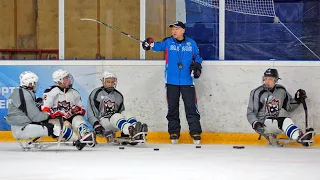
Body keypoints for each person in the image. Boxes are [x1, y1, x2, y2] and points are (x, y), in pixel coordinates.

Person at [141, 21, 203, 144]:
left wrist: (198, 66)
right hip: (171, 81)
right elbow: (157, 46)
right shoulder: (168, 42)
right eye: (173, 29)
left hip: (187, 81)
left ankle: (195, 132)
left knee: (191, 107)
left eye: (177, 29)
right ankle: (174, 132)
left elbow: (198, 56)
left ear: (183, 30)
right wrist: (149, 44)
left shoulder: (191, 43)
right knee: (172, 108)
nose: (174, 31)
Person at [5, 71, 78, 147]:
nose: (36, 85)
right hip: (23, 128)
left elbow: (25, 110)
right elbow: (36, 117)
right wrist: (49, 113)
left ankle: (73, 139)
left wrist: (37, 105)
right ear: (30, 83)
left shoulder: (20, 92)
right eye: (35, 83)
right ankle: (76, 140)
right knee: (53, 127)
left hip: (19, 126)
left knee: (51, 123)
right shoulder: (26, 95)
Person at [247, 68, 315, 147]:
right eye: (265, 79)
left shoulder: (281, 90)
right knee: (285, 121)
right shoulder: (257, 92)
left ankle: (300, 137)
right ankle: (300, 138)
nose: (267, 81)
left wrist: (297, 99)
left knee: (283, 121)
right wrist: (256, 124)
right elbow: (250, 112)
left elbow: (289, 107)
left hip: (274, 123)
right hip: (262, 124)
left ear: (276, 80)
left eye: (270, 79)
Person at [87, 71, 148, 141]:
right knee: (115, 116)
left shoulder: (118, 95)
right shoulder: (96, 94)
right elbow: (90, 113)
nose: (110, 84)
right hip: (102, 124)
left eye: (112, 82)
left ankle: (136, 129)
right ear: (103, 82)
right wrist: (96, 125)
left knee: (126, 113)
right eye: (108, 82)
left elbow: (121, 113)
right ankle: (130, 131)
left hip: (116, 123)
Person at [41, 69, 95, 148]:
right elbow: (45, 111)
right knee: (64, 125)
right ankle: (77, 140)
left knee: (78, 118)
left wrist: (77, 110)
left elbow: (82, 110)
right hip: (57, 119)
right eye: (66, 78)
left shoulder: (74, 92)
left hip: (70, 118)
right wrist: (59, 113)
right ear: (59, 80)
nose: (69, 79)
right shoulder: (50, 92)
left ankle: (85, 134)